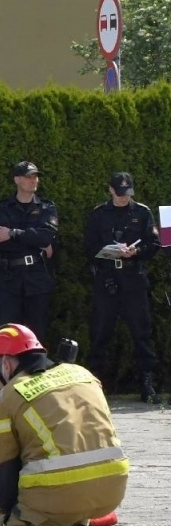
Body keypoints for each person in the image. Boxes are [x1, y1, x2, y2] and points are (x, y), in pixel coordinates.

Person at [0, 324, 129, 526]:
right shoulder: (84, 374)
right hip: (112, 486)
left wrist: (2, 523)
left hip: (58, 492)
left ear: (8, 364)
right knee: (70, 494)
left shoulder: (7, 398)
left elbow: (5, 471)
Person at [84, 172, 161, 402]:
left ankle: (147, 384)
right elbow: (89, 247)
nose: (123, 198)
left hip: (133, 279)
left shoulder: (142, 212)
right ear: (110, 190)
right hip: (106, 278)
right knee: (100, 333)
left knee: (141, 333)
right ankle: (95, 387)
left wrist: (136, 251)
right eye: (119, 194)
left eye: (127, 194)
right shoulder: (99, 214)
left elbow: (154, 243)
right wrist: (108, 253)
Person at [0, 161, 58, 341]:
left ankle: (34, 369)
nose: (34, 180)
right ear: (17, 180)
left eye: (35, 177)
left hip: (37, 278)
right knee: (6, 332)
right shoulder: (3, 208)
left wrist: (12, 233)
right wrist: (33, 239)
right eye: (29, 177)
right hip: (9, 278)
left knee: (36, 334)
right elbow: (0, 241)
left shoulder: (46, 207)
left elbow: (46, 237)